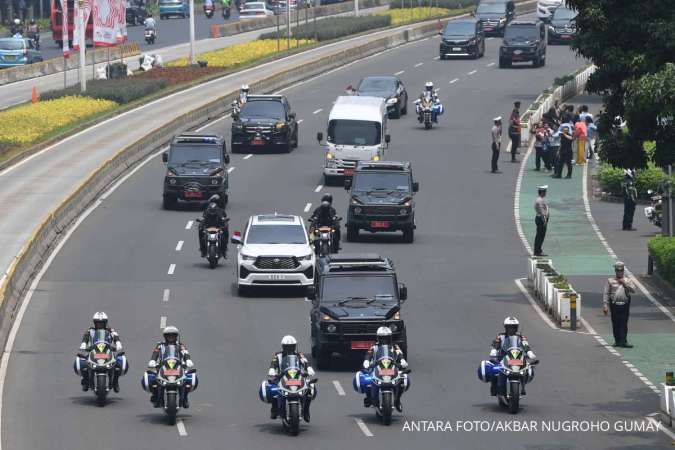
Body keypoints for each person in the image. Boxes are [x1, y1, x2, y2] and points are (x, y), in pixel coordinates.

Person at [267, 335, 315, 421]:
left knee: (310, 389)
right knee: (272, 389)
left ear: (295, 346)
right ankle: (274, 409)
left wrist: (309, 369)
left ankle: (306, 411)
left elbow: (306, 363)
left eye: (291, 347)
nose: (289, 349)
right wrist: (272, 370)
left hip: (297, 376)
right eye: (287, 347)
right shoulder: (278, 355)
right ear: (283, 347)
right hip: (282, 376)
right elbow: (273, 364)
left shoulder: (299, 355)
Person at [362, 326, 408, 411]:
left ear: (390, 337)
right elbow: (369, 353)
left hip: (391, 366)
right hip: (377, 367)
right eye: (382, 338)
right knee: (365, 379)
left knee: (404, 379)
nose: (384, 340)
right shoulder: (374, 346)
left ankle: (397, 400)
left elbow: (399, 353)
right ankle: (369, 397)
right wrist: (367, 361)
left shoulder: (394, 346)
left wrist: (402, 360)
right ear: (378, 338)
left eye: (386, 338)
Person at [147, 326, 195, 406]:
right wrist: (153, 360)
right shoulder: (160, 345)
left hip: (178, 365)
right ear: (165, 336)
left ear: (176, 336)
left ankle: (185, 397)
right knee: (151, 379)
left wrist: (188, 360)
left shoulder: (180, 345)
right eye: (169, 335)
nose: (171, 337)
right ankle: (155, 395)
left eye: (173, 335)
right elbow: (155, 353)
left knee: (189, 379)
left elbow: (185, 352)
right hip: (163, 365)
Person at [488, 317, 537, 396]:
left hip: (517, 358)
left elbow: (525, 344)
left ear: (516, 328)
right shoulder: (500, 336)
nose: (511, 329)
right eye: (509, 327)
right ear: (506, 328)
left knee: (528, 368)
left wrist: (529, 352)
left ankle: (523, 386)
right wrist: (494, 350)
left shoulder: (520, 337)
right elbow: (496, 343)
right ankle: (494, 386)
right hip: (503, 358)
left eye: (513, 327)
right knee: (494, 369)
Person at [78, 312, 125, 392]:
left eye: (102, 323)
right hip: (93, 350)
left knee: (120, 362)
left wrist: (118, 343)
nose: (100, 325)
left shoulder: (110, 330)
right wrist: (83, 344)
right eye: (98, 323)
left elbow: (115, 336)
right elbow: (85, 336)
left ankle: (115, 381)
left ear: (105, 323)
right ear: (94, 323)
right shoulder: (91, 330)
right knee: (81, 362)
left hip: (107, 350)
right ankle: (86, 381)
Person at [603, 262, 637, 348]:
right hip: (614, 305)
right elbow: (606, 293)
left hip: (624, 305)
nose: (619, 272)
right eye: (618, 271)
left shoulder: (628, 280)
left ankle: (624, 341)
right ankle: (617, 341)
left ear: (623, 271)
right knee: (615, 323)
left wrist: (624, 284)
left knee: (624, 323)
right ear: (615, 271)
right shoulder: (610, 281)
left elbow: (633, 290)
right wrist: (605, 305)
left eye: (621, 270)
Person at [533, 185, 549, 256]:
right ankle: (537, 251)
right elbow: (542, 212)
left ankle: (538, 250)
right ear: (542, 192)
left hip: (540, 218)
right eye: (545, 191)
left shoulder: (540, 199)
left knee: (540, 235)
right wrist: (544, 220)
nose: (546, 193)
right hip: (541, 219)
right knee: (540, 235)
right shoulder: (540, 200)